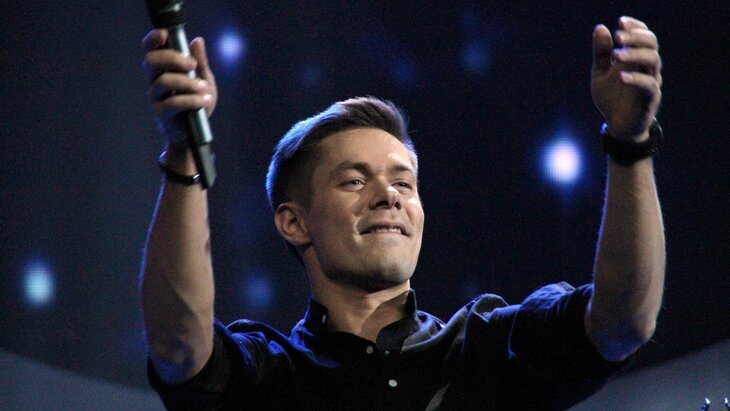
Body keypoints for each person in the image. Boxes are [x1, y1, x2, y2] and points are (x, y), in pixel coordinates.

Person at [140, 16, 665, 410]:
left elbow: (623, 322)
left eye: (403, 182)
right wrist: (185, 153)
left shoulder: (488, 348)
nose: (388, 196)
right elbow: (178, 346)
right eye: (353, 180)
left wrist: (631, 142)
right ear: (294, 222)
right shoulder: (266, 375)